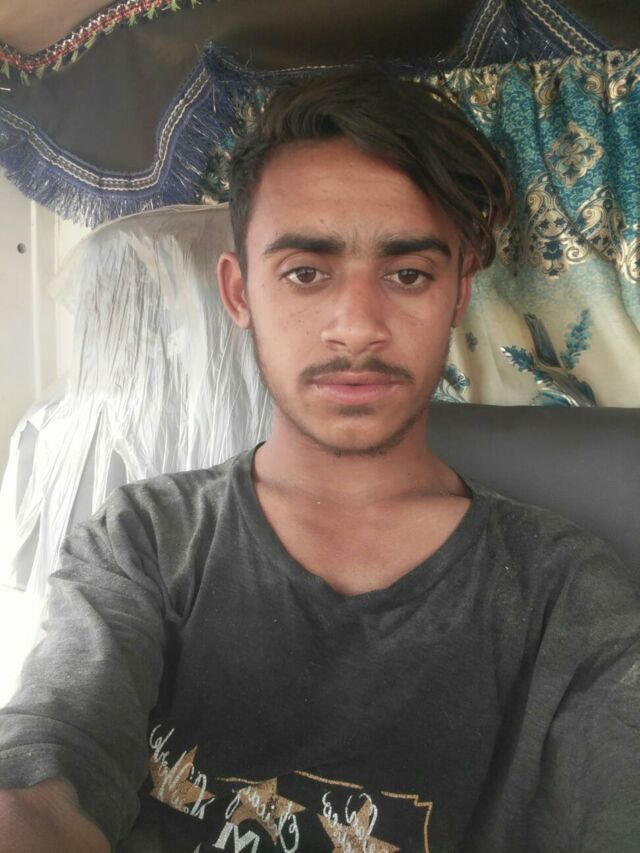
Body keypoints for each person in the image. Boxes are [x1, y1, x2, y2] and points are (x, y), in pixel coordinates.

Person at [0, 69, 639, 853]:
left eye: (408, 274)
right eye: (306, 272)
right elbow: (53, 756)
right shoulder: (144, 538)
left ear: (457, 294)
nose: (357, 326)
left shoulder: (565, 592)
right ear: (240, 293)